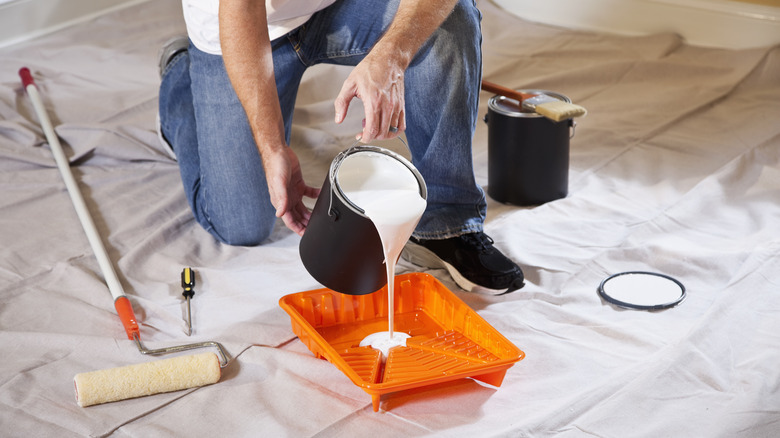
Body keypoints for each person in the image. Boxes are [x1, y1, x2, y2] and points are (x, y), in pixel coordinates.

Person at [158, 0, 525, 295]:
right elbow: (241, 8)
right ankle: (180, 74)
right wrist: (272, 149)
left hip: (339, 7)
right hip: (246, 26)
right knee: (241, 225)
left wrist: (392, 55)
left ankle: (448, 222)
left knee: (451, 20)